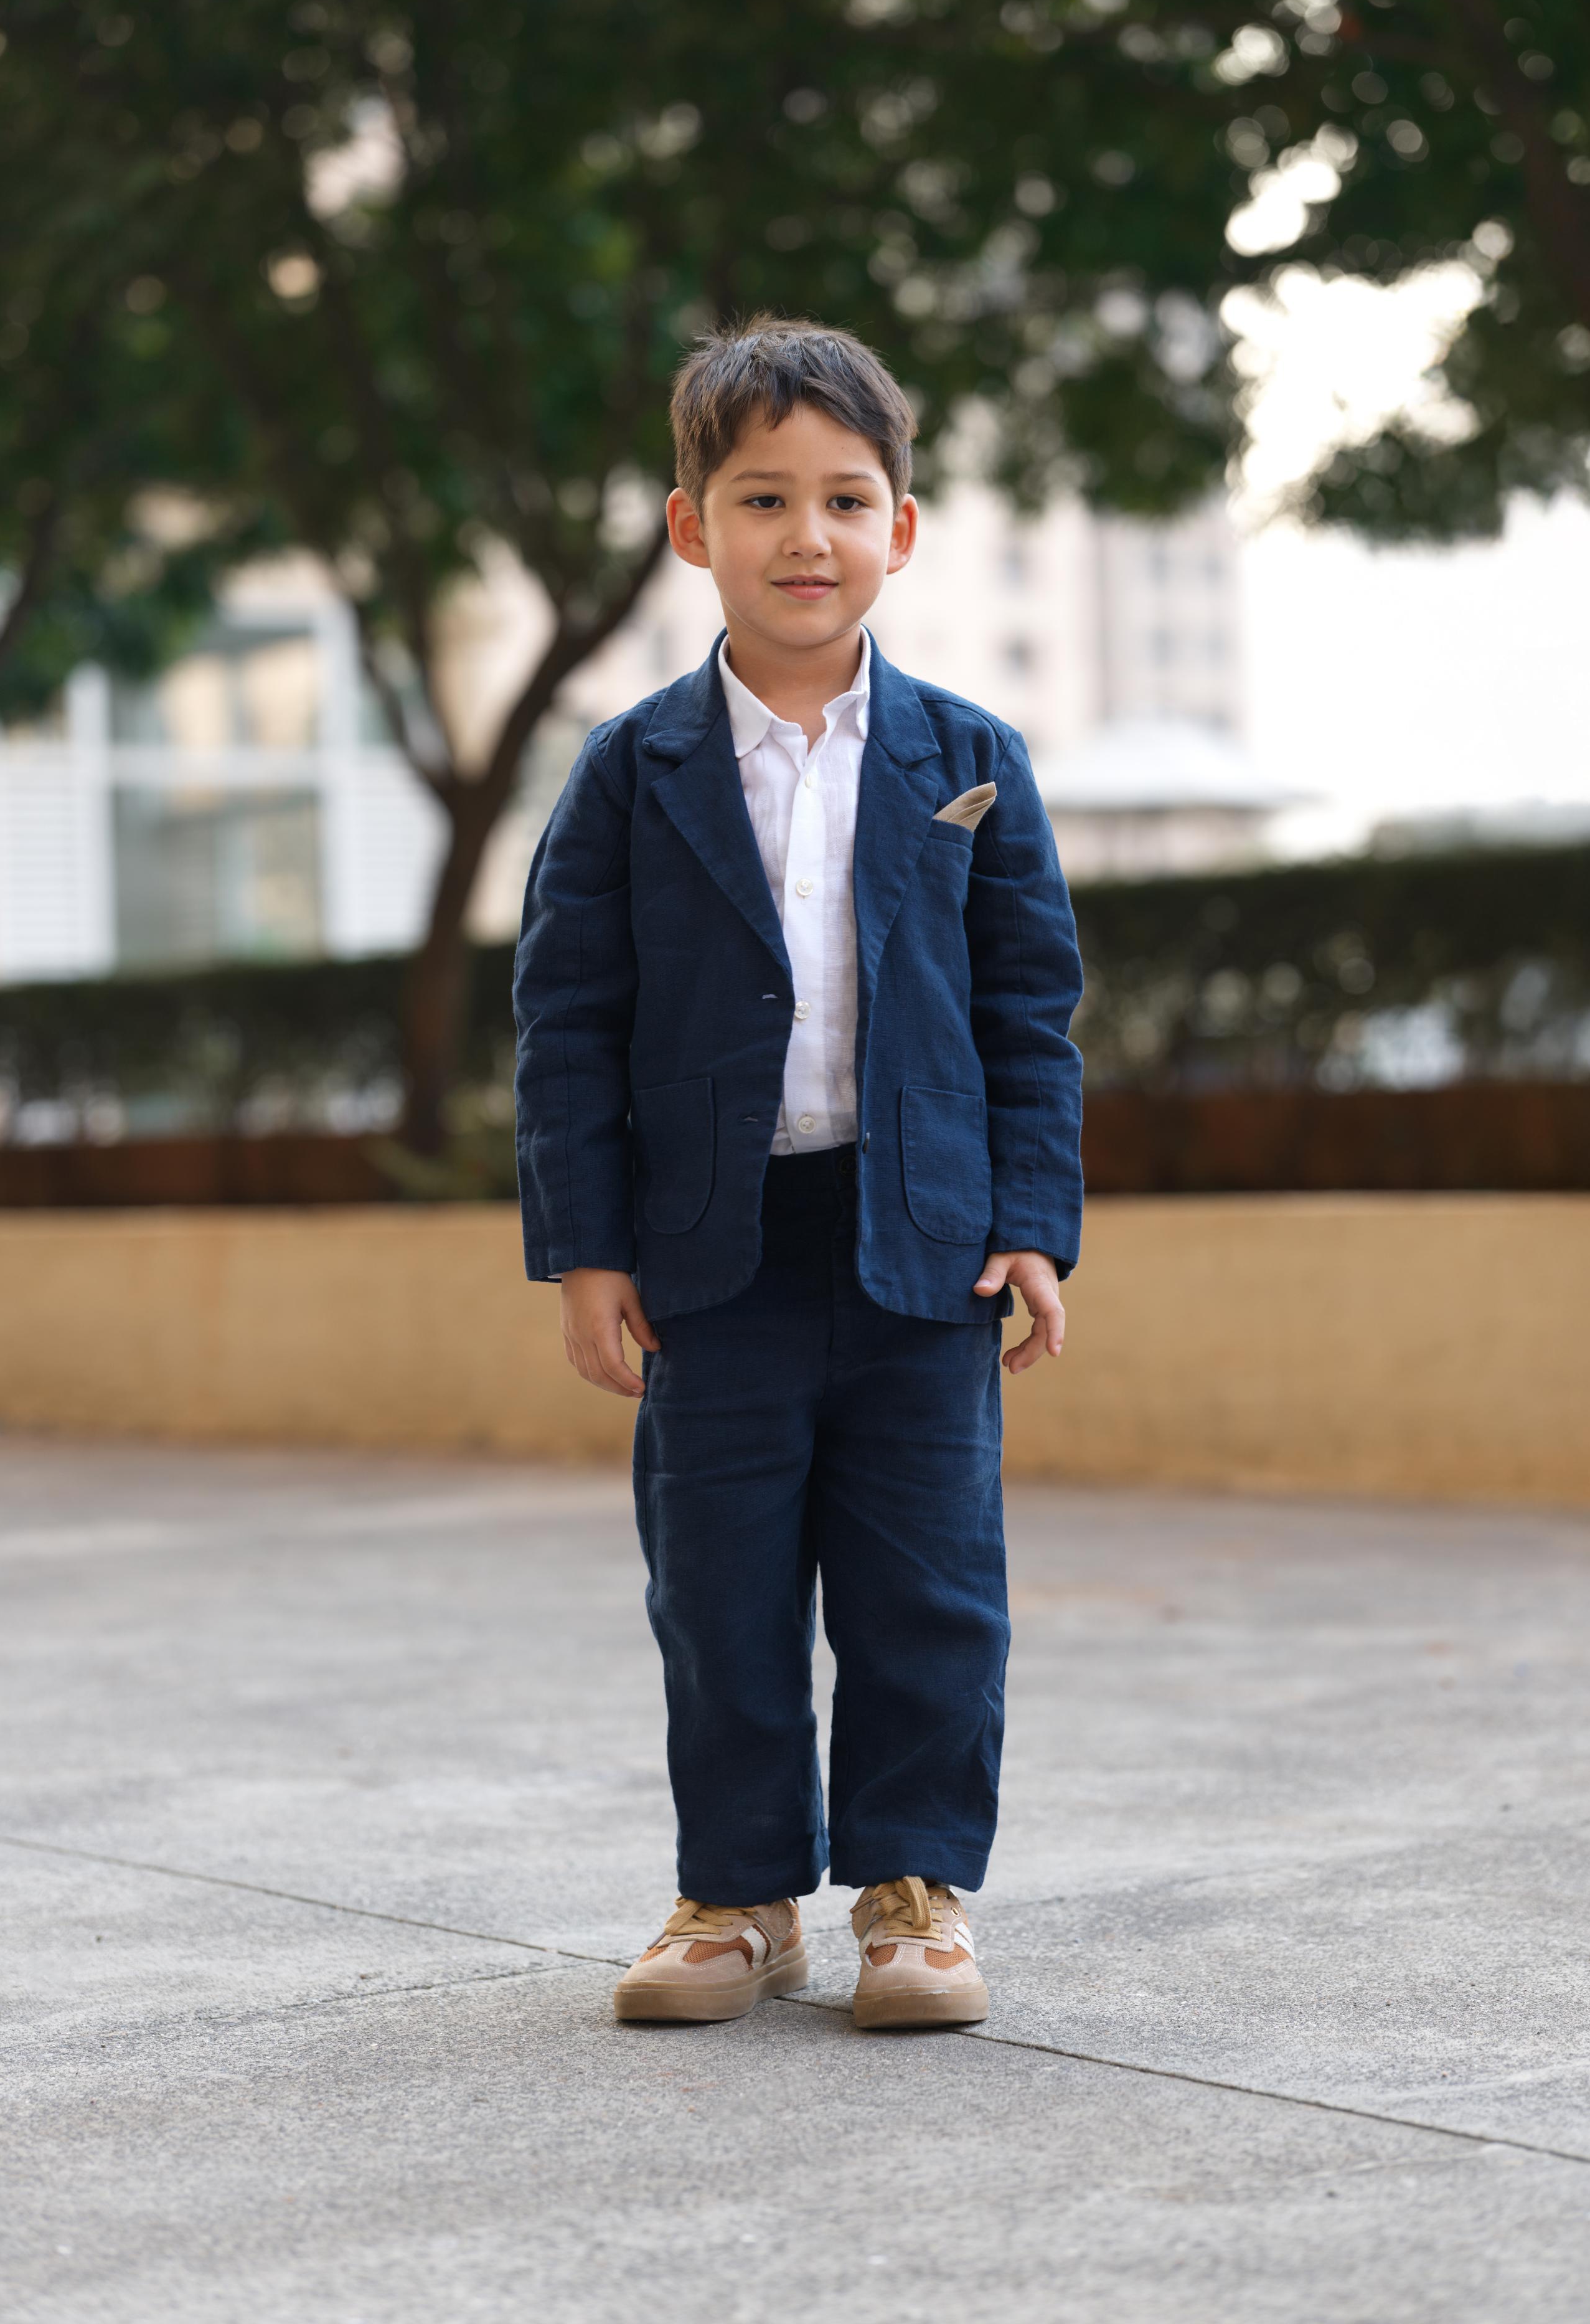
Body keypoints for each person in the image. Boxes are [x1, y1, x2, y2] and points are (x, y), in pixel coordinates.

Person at [513, 317, 1083, 2031]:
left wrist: (1032, 1225)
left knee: (928, 1586)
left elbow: (1029, 1011)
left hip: (919, 1245)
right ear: (693, 527)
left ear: (901, 527)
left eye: (846, 498)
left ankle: (912, 1892)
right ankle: (736, 1892)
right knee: (722, 1586)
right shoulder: (632, 773)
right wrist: (585, 1249)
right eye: (761, 498)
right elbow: (566, 1019)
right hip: (713, 1251)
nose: (806, 537)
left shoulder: (968, 760)